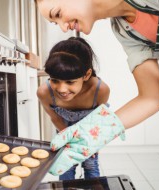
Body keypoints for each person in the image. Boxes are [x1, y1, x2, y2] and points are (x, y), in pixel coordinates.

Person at [35, 0, 159, 188]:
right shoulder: (124, 30)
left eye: (58, 13)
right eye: (54, 22)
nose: (63, 28)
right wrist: (95, 133)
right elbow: (151, 98)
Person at [37, 37, 110, 180]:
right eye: (55, 80)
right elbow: (55, 117)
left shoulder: (100, 90)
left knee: (91, 165)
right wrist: (68, 140)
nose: (62, 89)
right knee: (65, 167)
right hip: (64, 131)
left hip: (90, 134)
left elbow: (99, 119)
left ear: (86, 75)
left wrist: (91, 143)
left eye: (70, 82)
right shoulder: (44, 92)